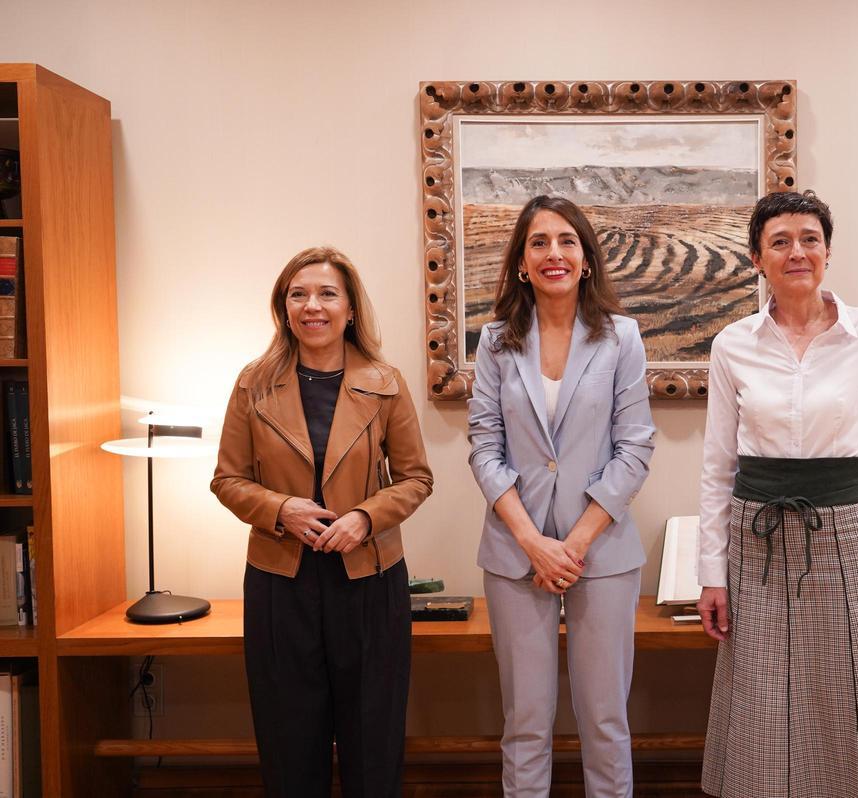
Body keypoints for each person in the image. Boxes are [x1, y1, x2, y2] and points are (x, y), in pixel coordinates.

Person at [696, 191, 858, 798]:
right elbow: (717, 469)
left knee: (849, 694)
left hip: (846, 535)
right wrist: (711, 574)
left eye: (810, 239)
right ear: (756, 258)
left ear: (827, 250)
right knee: (761, 696)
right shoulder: (731, 345)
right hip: (754, 537)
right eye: (780, 242)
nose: (798, 252)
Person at [211, 246, 433, 798]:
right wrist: (280, 509)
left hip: (370, 581)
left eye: (327, 293)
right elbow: (227, 479)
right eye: (298, 294)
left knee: (373, 740)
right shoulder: (253, 384)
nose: (313, 305)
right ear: (284, 309)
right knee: (289, 743)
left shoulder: (386, 382)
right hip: (279, 582)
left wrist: (365, 516)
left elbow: (415, 478)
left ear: (351, 309)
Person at [468, 195, 655, 797]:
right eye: (539, 242)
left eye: (567, 241)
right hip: (515, 554)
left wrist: (572, 544)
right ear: (522, 261)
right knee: (525, 724)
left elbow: (635, 448)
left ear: (586, 258)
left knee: (605, 722)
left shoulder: (621, 337)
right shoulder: (495, 341)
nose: (554, 253)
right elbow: (483, 448)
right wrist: (531, 542)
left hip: (599, 553)